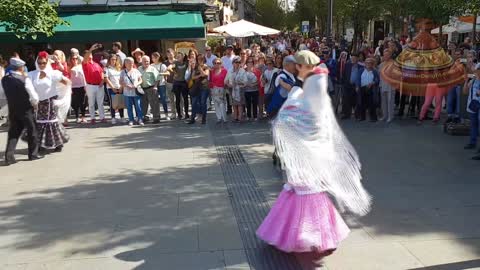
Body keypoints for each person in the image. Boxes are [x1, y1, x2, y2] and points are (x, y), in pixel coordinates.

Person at [256, 70, 371, 263]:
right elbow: (285, 122)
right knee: (304, 195)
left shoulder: (311, 104)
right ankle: (302, 235)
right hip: (304, 158)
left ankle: (304, 235)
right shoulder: (302, 100)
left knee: (307, 195)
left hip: (310, 159)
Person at [2, 58, 43, 165]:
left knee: (14, 132)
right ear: (21, 67)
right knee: (32, 130)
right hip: (25, 108)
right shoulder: (24, 79)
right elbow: (33, 95)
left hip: (13, 108)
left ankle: (9, 156)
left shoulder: (5, 79)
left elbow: (2, 94)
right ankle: (33, 154)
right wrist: (35, 104)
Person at [28, 51, 70, 152]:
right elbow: (29, 88)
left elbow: (67, 83)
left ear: (47, 63)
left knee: (50, 122)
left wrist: (60, 91)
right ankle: (41, 144)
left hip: (50, 102)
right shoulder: (32, 74)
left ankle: (57, 144)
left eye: (43, 63)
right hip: (38, 103)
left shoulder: (53, 74)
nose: (41, 65)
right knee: (40, 122)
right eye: (39, 63)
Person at [82, 50, 106, 124]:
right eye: (87, 54)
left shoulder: (97, 64)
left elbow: (102, 72)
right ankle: (92, 118)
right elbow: (85, 60)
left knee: (100, 103)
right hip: (90, 85)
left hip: (99, 86)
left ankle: (102, 117)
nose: (89, 55)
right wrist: (90, 50)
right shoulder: (85, 64)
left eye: (90, 54)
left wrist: (102, 80)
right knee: (91, 103)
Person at [186, 54, 210, 124]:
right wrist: (200, 75)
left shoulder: (206, 67)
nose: (200, 60)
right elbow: (193, 77)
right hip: (196, 87)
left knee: (203, 103)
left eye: (201, 59)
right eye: (199, 59)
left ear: (204, 59)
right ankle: (192, 118)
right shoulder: (195, 67)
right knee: (194, 103)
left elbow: (206, 75)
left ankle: (204, 119)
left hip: (204, 87)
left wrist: (200, 69)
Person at [120, 57, 144, 126]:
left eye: (131, 62)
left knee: (138, 106)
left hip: (136, 92)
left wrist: (136, 84)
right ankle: (131, 120)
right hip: (127, 92)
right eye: (128, 62)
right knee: (129, 107)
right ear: (125, 63)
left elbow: (141, 80)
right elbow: (120, 81)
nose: (130, 64)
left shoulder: (136, 71)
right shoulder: (123, 72)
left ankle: (140, 119)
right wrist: (126, 85)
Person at [463, 64, 480, 161]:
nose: (475, 70)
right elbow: (465, 92)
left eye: (476, 69)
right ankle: (472, 142)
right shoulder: (473, 80)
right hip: (474, 105)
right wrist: (466, 81)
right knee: (473, 124)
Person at [138, 55, 161, 124]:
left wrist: (155, 86)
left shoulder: (152, 69)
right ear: (142, 62)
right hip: (142, 89)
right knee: (143, 104)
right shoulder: (139, 69)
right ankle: (145, 117)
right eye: (144, 61)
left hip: (151, 88)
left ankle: (156, 118)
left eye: (147, 61)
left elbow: (157, 78)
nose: (146, 62)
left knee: (154, 104)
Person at [52, 50, 72, 126]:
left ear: (61, 56)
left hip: (64, 86)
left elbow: (64, 70)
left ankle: (65, 119)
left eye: (56, 54)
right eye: (54, 54)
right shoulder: (51, 64)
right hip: (56, 86)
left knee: (65, 103)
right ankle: (58, 120)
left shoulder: (64, 63)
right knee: (56, 103)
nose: (55, 55)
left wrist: (58, 62)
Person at [104, 54, 125, 124]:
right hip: (111, 88)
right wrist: (113, 87)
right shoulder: (107, 68)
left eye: (115, 59)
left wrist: (121, 87)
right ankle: (113, 117)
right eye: (112, 59)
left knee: (120, 102)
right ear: (109, 60)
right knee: (113, 103)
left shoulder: (119, 68)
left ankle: (122, 117)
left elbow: (122, 78)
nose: (113, 61)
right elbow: (106, 78)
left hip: (120, 87)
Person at [446, 49, 465, 123]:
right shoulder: (454, 62)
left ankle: (457, 116)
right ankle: (450, 116)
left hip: (459, 84)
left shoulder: (463, 62)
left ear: (462, 55)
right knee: (450, 100)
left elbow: (462, 71)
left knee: (458, 101)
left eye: (459, 54)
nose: (457, 56)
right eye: (456, 54)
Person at [168, 52, 189, 120]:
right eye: (177, 56)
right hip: (177, 82)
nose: (178, 58)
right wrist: (174, 72)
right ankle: (179, 114)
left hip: (184, 82)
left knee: (185, 99)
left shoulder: (186, 62)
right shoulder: (175, 62)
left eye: (179, 56)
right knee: (177, 99)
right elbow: (169, 68)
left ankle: (186, 113)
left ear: (183, 57)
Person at [358, 58, 379, 122]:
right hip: (362, 88)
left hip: (371, 88)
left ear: (372, 64)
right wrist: (357, 86)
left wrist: (372, 83)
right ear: (365, 63)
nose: (368, 64)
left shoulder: (375, 71)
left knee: (371, 103)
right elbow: (358, 78)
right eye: (367, 62)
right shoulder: (361, 70)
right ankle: (362, 117)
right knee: (362, 103)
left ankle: (373, 118)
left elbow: (377, 80)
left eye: (370, 63)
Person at [225, 56, 246, 122]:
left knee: (240, 104)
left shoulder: (242, 70)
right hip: (232, 89)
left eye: (239, 62)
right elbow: (225, 80)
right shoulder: (230, 70)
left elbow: (245, 81)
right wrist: (229, 85)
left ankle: (240, 117)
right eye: (236, 62)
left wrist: (239, 83)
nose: (237, 64)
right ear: (233, 63)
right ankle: (235, 117)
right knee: (234, 104)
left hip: (240, 89)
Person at [69, 53, 87, 124]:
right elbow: (69, 78)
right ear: (71, 60)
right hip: (73, 87)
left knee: (83, 102)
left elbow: (84, 77)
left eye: (76, 58)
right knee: (75, 103)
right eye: (73, 59)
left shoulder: (81, 66)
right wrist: (70, 88)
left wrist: (85, 86)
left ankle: (83, 117)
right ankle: (77, 117)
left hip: (82, 86)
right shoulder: (69, 67)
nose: (75, 60)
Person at [152, 52, 170, 120]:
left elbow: (168, 73)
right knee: (155, 100)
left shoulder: (162, 65)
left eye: (155, 57)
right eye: (153, 57)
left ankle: (166, 114)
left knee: (163, 99)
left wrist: (160, 73)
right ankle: (157, 114)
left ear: (158, 57)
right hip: (154, 84)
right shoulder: (151, 65)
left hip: (161, 84)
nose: (154, 59)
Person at [379, 49, 396, 123]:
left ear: (390, 55)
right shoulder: (381, 64)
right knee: (383, 102)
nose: (385, 56)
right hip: (382, 85)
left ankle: (390, 116)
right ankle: (384, 115)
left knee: (390, 101)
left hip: (390, 86)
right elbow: (379, 75)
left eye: (387, 55)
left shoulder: (394, 63)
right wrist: (380, 84)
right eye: (384, 55)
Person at [164, 48, 182, 119]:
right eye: (168, 54)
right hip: (169, 82)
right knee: (171, 99)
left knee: (180, 98)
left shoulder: (177, 62)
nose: (170, 55)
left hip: (177, 82)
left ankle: (181, 112)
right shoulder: (165, 63)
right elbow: (164, 72)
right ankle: (173, 113)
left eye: (171, 54)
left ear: (173, 54)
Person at [209, 58, 228, 123]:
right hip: (214, 89)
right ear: (213, 64)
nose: (217, 64)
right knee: (216, 104)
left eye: (218, 63)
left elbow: (227, 80)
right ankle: (219, 118)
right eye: (215, 63)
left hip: (222, 89)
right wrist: (211, 88)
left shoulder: (224, 71)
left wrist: (225, 87)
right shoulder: (212, 71)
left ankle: (224, 118)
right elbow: (210, 80)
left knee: (222, 104)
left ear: (221, 64)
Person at [244, 57, 259, 121]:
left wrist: (253, 84)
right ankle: (248, 116)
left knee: (255, 103)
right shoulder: (243, 70)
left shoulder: (256, 71)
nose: (250, 63)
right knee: (248, 103)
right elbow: (241, 79)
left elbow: (259, 80)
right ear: (246, 63)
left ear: (253, 63)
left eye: (251, 62)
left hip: (255, 90)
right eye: (248, 62)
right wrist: (247, 84)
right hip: (246, 90)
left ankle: (255, 116)